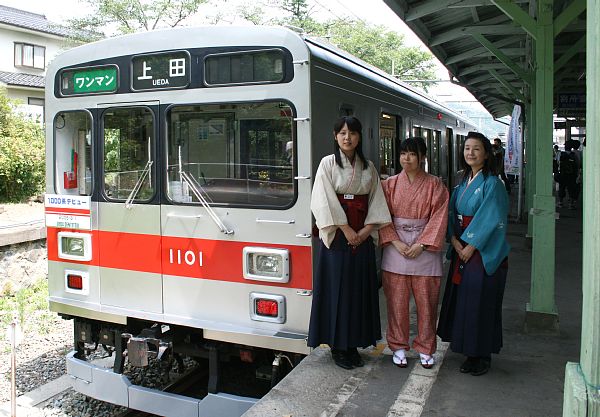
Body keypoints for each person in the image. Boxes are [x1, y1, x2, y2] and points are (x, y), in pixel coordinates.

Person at [309, 116, 391, 369]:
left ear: (359, 137)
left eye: (353, 133)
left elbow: (377, 201)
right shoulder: (327, 164)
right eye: (342, 133)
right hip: (337, 237)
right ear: (335, 136)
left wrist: (366, 231)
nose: (348, 138)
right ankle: (338, 347)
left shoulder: (369, 167)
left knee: (359, 291)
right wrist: (346, 229)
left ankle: (354, 344)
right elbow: (323, 200)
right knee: (337, 291)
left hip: (362, 236)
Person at [437, 131, 510, 376]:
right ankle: (470, 351)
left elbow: (492, 217)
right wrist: (455, 241)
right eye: (467, 148)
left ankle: (482, 355)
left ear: (486, 154)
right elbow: (451, 216)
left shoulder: (493, 184)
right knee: (465, 301)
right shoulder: (462, 183)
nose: (471, 153)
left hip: (483, 251)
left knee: (481, 302)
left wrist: (471, 245)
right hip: (463, 249)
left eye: (476, 149)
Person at [379, 137, 449, 369]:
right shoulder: (389, 184)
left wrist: (422, 244)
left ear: (423, 157)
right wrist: (396, 242)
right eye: (403, 154)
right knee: (396, 301)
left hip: (425, 249)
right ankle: (398, 345)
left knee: (427, 302)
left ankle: (426, 347)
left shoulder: (435, 185)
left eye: (412, 154)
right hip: (396, 247)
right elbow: (382, 215)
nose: (406, 159)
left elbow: (439, 215)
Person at [557, 144, 579, 209]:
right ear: (571, 148)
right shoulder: (573, 155)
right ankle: (571, 204)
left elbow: (557, 163)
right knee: (571, 189)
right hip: (571, 175)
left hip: (562, 174)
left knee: (561, 188)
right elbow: (577, 164)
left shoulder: (561, 154)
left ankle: (560, 203)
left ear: (565, 148)